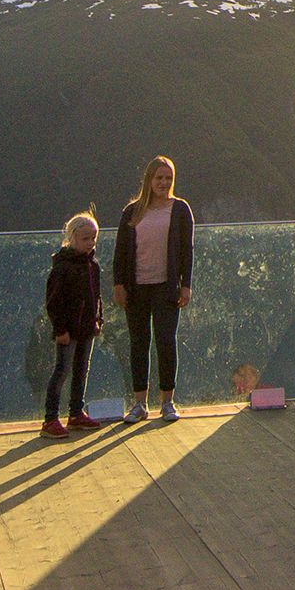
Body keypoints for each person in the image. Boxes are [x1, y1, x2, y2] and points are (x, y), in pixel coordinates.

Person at [109, 156, 195, 420]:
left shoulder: (180, 209)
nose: (163, 182)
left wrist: (186, 285)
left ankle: (167, 401)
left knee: (166, 341)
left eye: (168, 178)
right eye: (159, 178)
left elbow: (187, 251)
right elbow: (121, 251)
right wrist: (119, 284)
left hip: (166, 287)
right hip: (137, 287)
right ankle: (139, 403)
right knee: (139, 343)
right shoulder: (132, 212)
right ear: (149, 179)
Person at [42, 213, 104, 434]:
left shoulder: (93, 265)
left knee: (81, 370)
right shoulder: (62, 267)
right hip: (68, 331)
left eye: (93, 239)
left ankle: (76, 413)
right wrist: (60, 329)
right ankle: (50, 419)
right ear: (72, 238)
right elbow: (53, 302)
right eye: (85, 239)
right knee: (62, 370)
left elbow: (96, 296)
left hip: (87, 328)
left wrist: (98, 320)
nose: (89, 244)